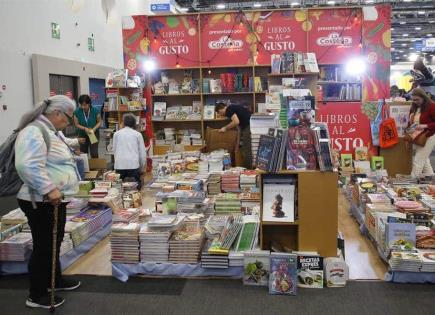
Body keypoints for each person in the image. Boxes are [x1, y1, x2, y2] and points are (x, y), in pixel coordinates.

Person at [15, 95, 81, 309]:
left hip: (53, 200)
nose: (69, 122)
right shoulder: (34, 131)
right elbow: (27, 166)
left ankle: (55, 281)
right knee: (44, 246)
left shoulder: (51, 131)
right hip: (40, 200)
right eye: (69, 118)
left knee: (55, 241)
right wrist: (49, 188)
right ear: (57, 113)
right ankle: (37, 294)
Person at [113, 114, 146, 188]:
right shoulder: (138, 135)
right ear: (134, 124)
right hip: (134, 165)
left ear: (123, 123)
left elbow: (114, 150)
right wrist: (141, 167)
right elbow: (142, 154)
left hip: (119, 165)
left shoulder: (116, 134)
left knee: (119, 188)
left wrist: (117, 162)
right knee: (136, 188)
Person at [215, 102, 252, 169]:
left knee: (247, 151)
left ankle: (249, 170)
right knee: (245, 150)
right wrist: (237, 146)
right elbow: (239, 129)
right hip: (248, 126)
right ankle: (249, 168)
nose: (221, 115)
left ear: (220, 110)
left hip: (249, 127)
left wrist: (225, 128)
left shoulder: (228, 110)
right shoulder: (233, 109)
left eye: (219, 113)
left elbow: (236, 122)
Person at [408, 88, 435, 177]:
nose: (415, 101)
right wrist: (408, 134)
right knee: (424, 161)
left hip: (429, 136)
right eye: (413, 100)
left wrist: (425, 126)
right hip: (418, 136)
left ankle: (412, 183)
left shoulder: (432, 106)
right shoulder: (414, 107)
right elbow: (410, 122)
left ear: (423, 97)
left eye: (417, 99)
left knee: (418, 160)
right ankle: (431, 181)